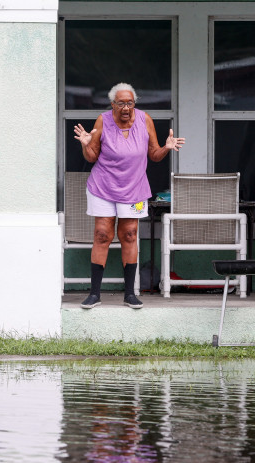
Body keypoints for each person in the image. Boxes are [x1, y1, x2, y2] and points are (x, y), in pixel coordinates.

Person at [73, 82, 185, 309]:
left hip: (134, 188)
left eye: (130, 103)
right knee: (103, 234)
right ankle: (94, 294)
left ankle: (129, 294)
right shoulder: (103, 120)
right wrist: (86, 144)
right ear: (112, 104)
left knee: (130, 235)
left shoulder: (145, 120)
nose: (126, 108)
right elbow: (92, 156)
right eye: (121, 103)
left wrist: (166, 147)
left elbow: (154, 155)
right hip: (103, 187)